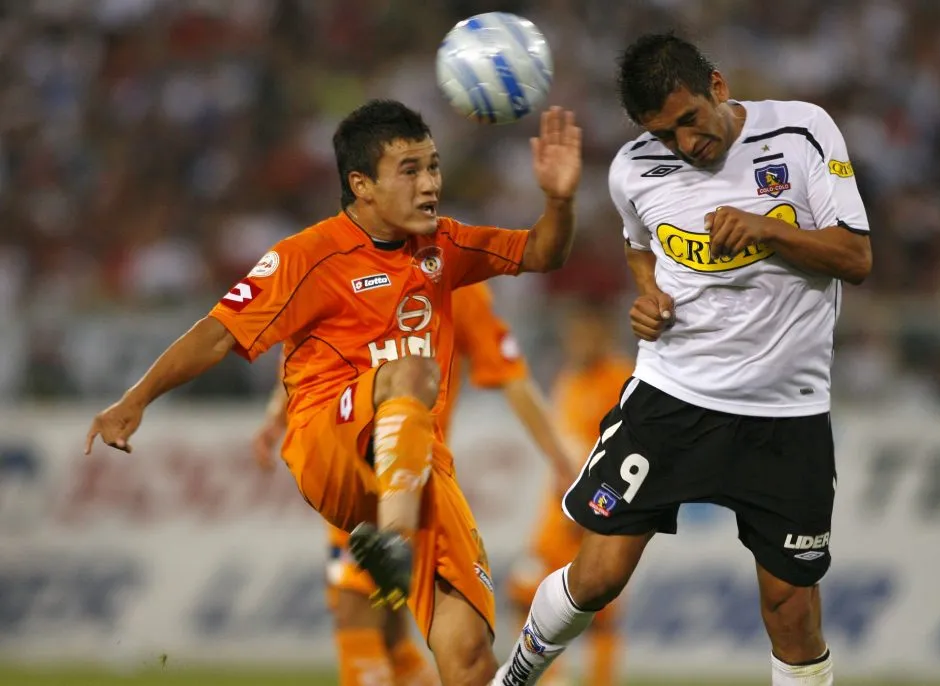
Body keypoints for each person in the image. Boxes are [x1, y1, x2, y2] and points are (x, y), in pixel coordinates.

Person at [85, 99, 582, 686]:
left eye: (434, 167)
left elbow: (542, 252)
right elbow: (218, 334)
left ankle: (396, 548)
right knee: (412, 369)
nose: (430, 185)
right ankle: (391, 544)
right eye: (411, 170)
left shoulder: (445, 246)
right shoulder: (306, 255)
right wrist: (134, 400)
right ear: (361, 185)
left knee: (470, 654)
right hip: (329, 445)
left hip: (418, 467)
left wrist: (559, 199)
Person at [491, 32, 872, 686]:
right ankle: (514, 677)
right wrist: (649, 297)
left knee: (790, 611)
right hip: (675, 395)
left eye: (689, 121)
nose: (684, 144)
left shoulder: (804, 132)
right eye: (663, 134)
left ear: (718, 88)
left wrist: (769, 228)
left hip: (788, 414)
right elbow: (640, 244)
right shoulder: (632, 169)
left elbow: (856, 258)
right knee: (597, 576)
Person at [252, 281, 577, 686]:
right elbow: (312, 354)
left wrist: (561, 460)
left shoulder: (457, 284)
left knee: (452, 643)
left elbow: (511, 374)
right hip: (351, 461)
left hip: (418, 479)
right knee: (372, 625)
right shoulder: (347, 265)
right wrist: (277, 411)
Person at [505, 299, 632, 686]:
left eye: (584, 334)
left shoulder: (620, 379)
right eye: (571, 335)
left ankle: (586, 679)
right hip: (557, 517)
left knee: (595, 609)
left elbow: (625, 452)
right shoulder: (569, 380)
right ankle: (554, 678)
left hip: (590, 514)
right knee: (529, 595)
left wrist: (598, 509)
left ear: (603, 335)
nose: (575, 342)